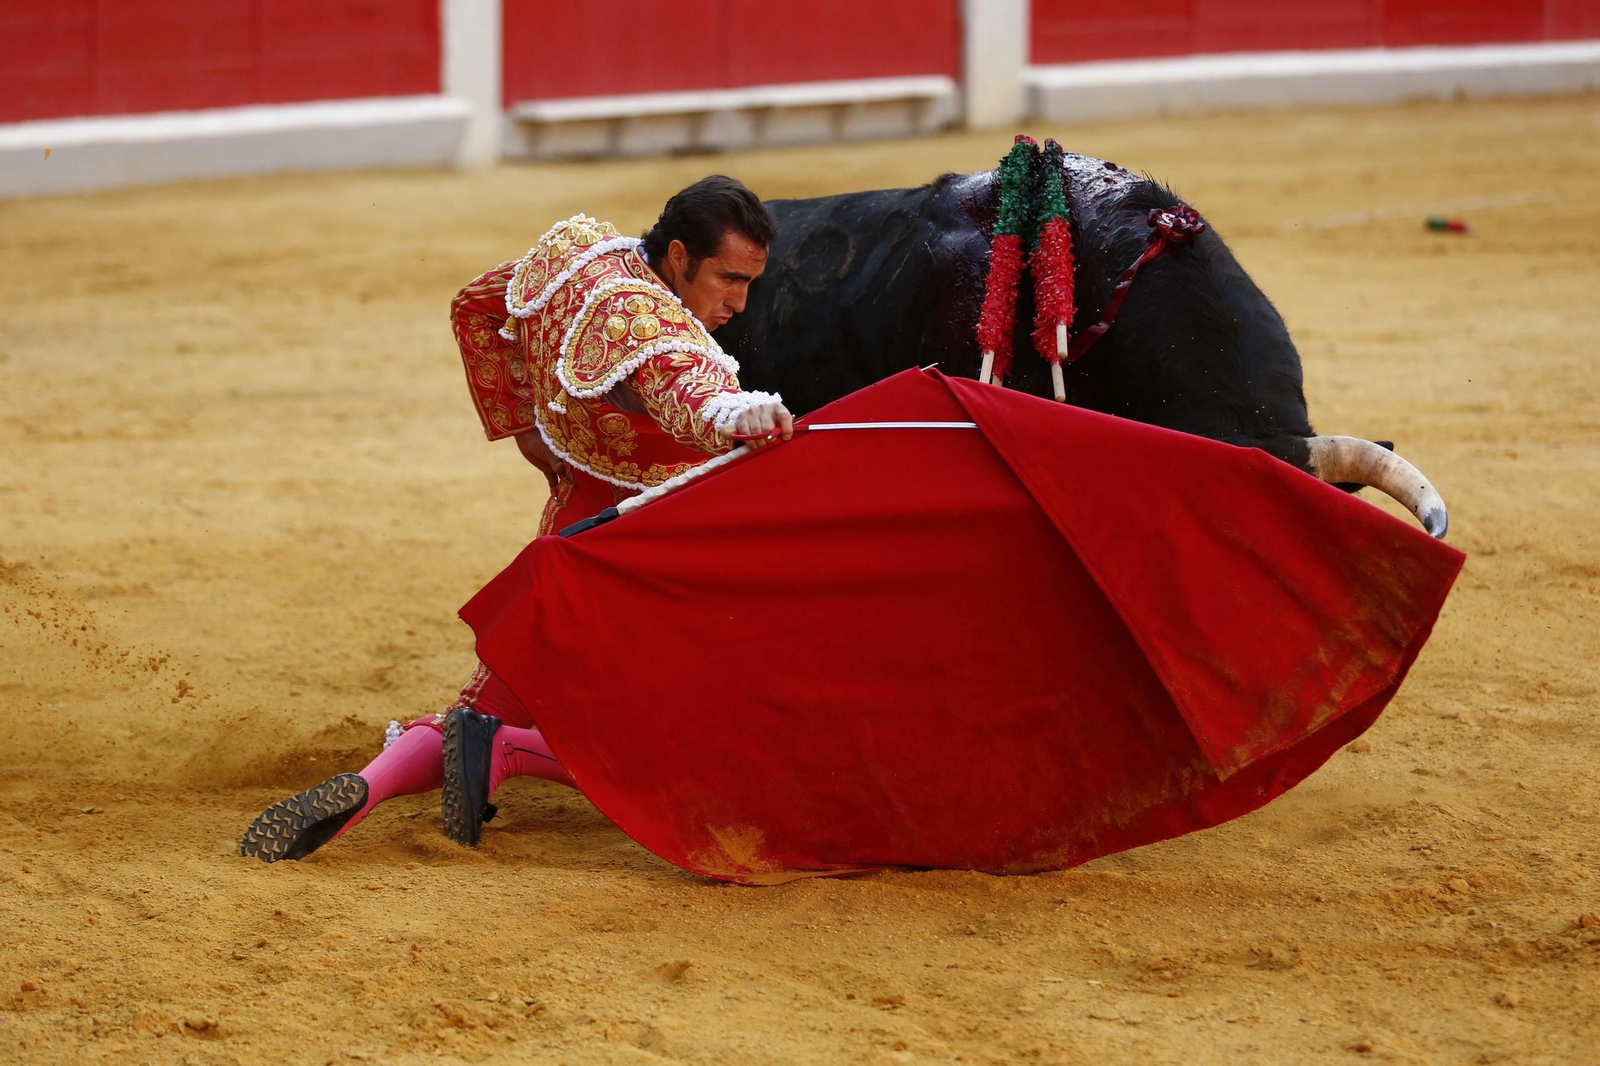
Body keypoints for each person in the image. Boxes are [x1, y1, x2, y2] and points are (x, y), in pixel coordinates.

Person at [240, 176, 793, 862]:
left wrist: (522, 425)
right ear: (678, 258)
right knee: (701, 750)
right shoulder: (654, 330)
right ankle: (514, 755)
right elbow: (694, 397)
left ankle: (368, 784)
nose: (739, 303)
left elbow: (475, 307)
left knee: (476, 714)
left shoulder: (583, 257)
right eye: (728, 279)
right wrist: (745, 413)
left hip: (569, 535)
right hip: (648, 565)